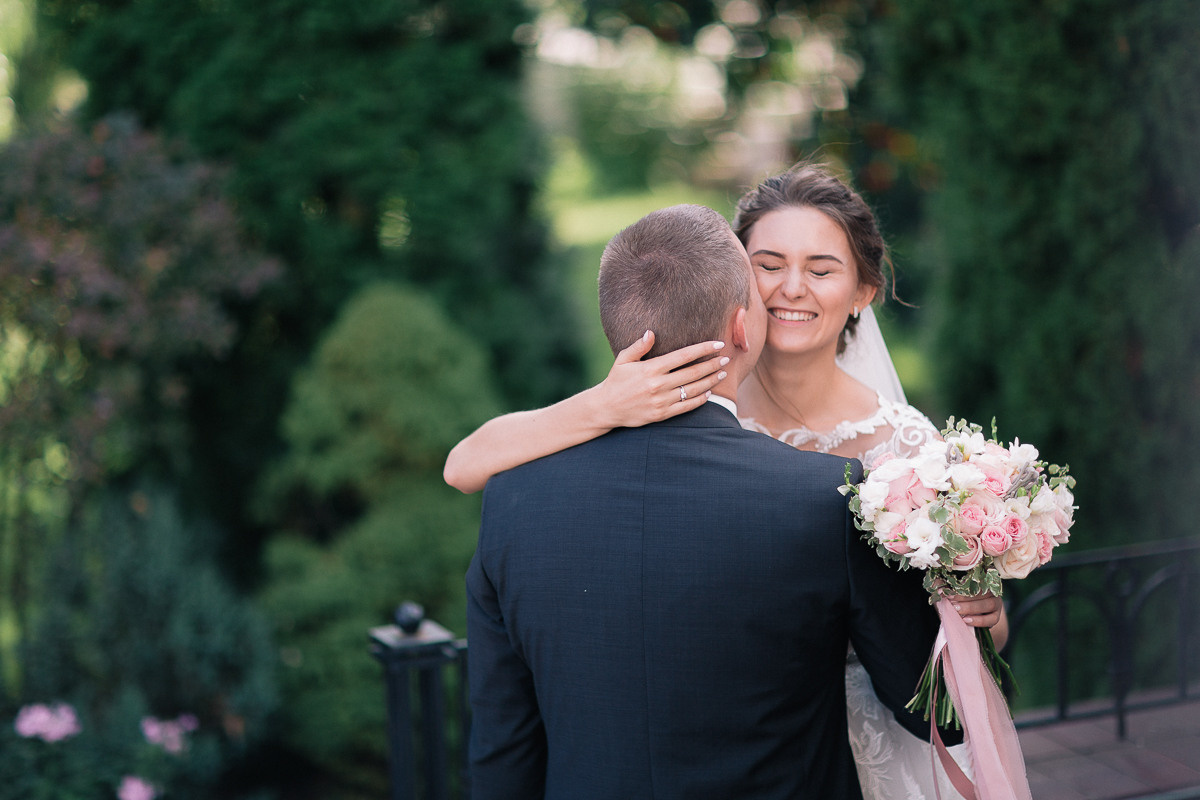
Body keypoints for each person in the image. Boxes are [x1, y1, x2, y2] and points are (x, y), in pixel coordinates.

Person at [449, 163, 1008, 799]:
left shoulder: (907, 455)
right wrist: (603, 404)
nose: (790, 288)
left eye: (821, 269)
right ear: (737, 294)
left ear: (863, 290)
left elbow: (503, 745)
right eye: (767, 265)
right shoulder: (820, 493)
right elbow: (462, 462)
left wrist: (980, 619)